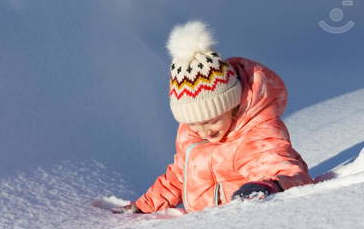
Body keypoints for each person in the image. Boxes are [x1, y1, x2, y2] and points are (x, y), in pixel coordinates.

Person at [112, 21, 314, 214]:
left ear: (231, 106)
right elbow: (178, 176)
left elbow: (283, 169)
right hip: (202, 225)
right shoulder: (190, 134)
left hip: (240, 220)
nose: (204, 131)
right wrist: (144, 205)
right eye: (195, 124)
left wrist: (268, 185)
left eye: (211, 121)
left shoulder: (256, 133)